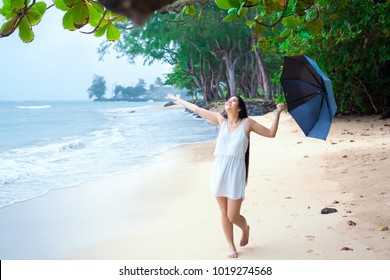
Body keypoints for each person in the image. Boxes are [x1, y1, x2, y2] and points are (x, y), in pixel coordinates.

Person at [167, 93, 286, 258]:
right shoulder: (220, 120)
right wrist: (178, 100)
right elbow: (196, 108)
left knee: (233, 215)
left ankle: (245, 229)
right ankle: (231, 245)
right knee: (223, 211)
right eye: (228, 99)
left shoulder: (247, 123)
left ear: (239, 109)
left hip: (236, 173)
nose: (229, 101)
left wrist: (278, 113)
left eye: (234, 101)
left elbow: (270, 133)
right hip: (220, 171)